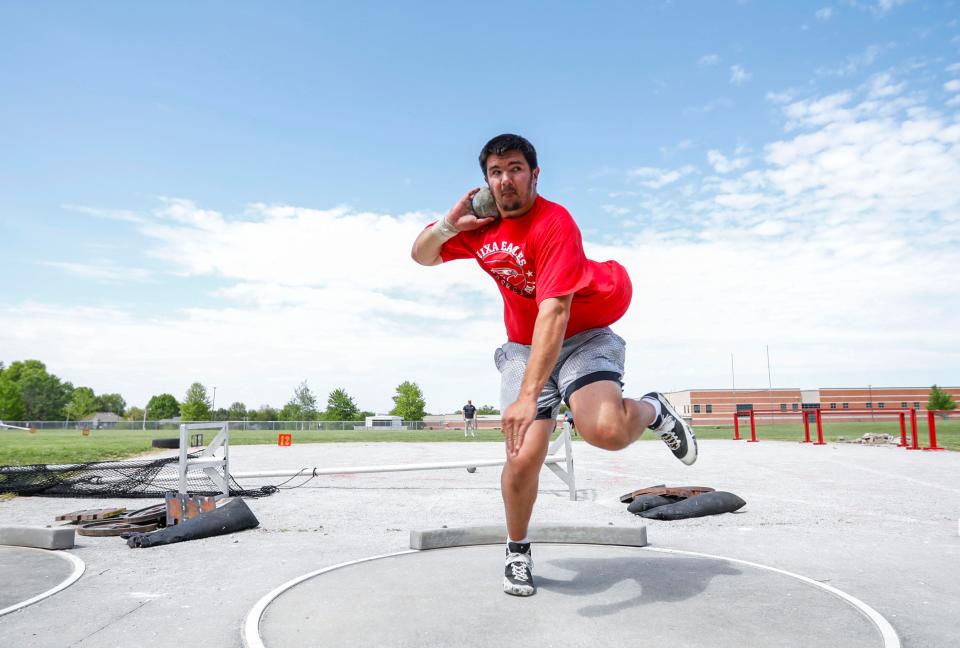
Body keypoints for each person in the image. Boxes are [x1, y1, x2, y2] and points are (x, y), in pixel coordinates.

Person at [410, 134, 697, 597]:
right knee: (523, 457)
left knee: (605, 432)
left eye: (516, 168)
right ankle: (517, 549)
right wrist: (448, 224)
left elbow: (555, 312)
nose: (506, 180)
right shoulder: (478, 227)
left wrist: (528, 398)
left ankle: (652, 410)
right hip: (524, 347)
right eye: (496, 172)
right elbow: (421, 255)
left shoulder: (555, 222)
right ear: (485, 181)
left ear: (535, 174)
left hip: (583, 331)